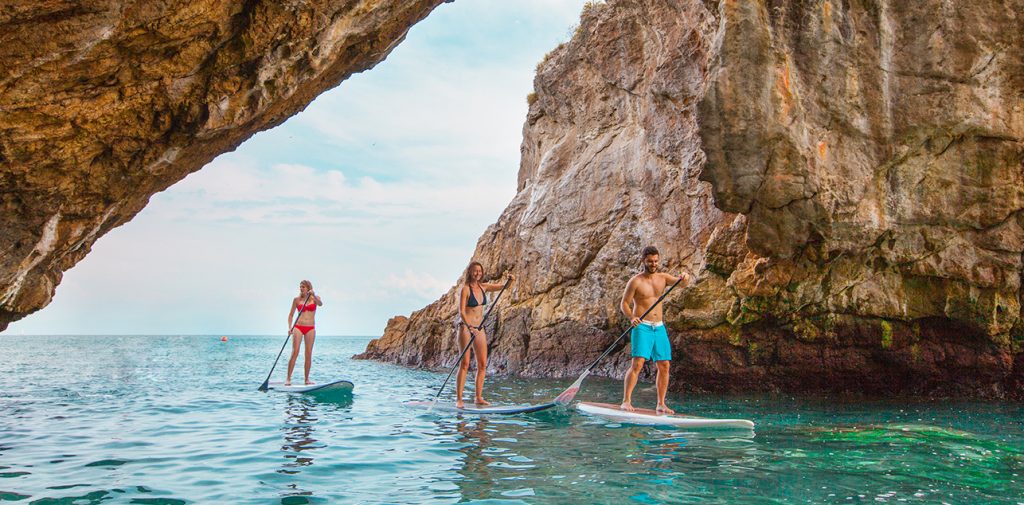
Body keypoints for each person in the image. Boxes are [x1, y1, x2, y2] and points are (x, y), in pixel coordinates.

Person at [619, 246, 692, 413]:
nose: (653, 264)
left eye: (656, 261)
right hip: (641, 326)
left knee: (665, 365)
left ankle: (661, 404)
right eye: (650, 261)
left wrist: (685, 277)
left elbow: (682, 284)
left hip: (659, 327)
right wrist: (632, 317)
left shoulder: (663, 278)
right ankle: (626, 401)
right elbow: (624, 303)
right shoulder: (635, 281)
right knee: (637, 364)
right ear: (643, 260)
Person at [455, 262, 514, 408]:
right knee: (465, 364)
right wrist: (469, 327)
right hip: (466, 328)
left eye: (479, 271)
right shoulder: (466, 289)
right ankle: (460, 400)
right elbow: (462, 311)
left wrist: (511, 280)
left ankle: (478, 397)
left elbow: (504, 287)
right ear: (470, 272)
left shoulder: (484, 287)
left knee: (482, 364)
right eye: (475, 271)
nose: (477, 273)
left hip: (479, 328)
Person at [287, 280, 322, 386]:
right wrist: (290, 328)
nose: (301, 288)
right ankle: (288, 379)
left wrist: (314, 295)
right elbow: (291, 315)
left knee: (308, 353)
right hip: (298, 327)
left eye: (303, 287)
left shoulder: (315, 298)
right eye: (300, 287)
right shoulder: (296, 300)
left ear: (308, 288)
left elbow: (320, 304)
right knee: (295, 352)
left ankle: (306, 379)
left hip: (310, 328)